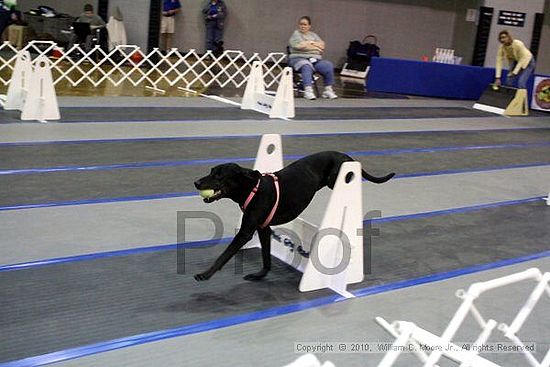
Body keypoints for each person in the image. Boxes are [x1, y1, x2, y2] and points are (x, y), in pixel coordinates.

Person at [288, 16, 337, 100]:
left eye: (305, 24)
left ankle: (328, 90)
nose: (302, 26)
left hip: (314, 60)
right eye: (301, 24)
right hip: (298, 58)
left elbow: (322, 46)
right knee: (306, 65)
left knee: (328, 65)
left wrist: (309, 43)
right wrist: (315, 46)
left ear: (309, 26)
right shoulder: (296, 34)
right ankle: (308, 91)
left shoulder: (313, 35)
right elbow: (300, 46)